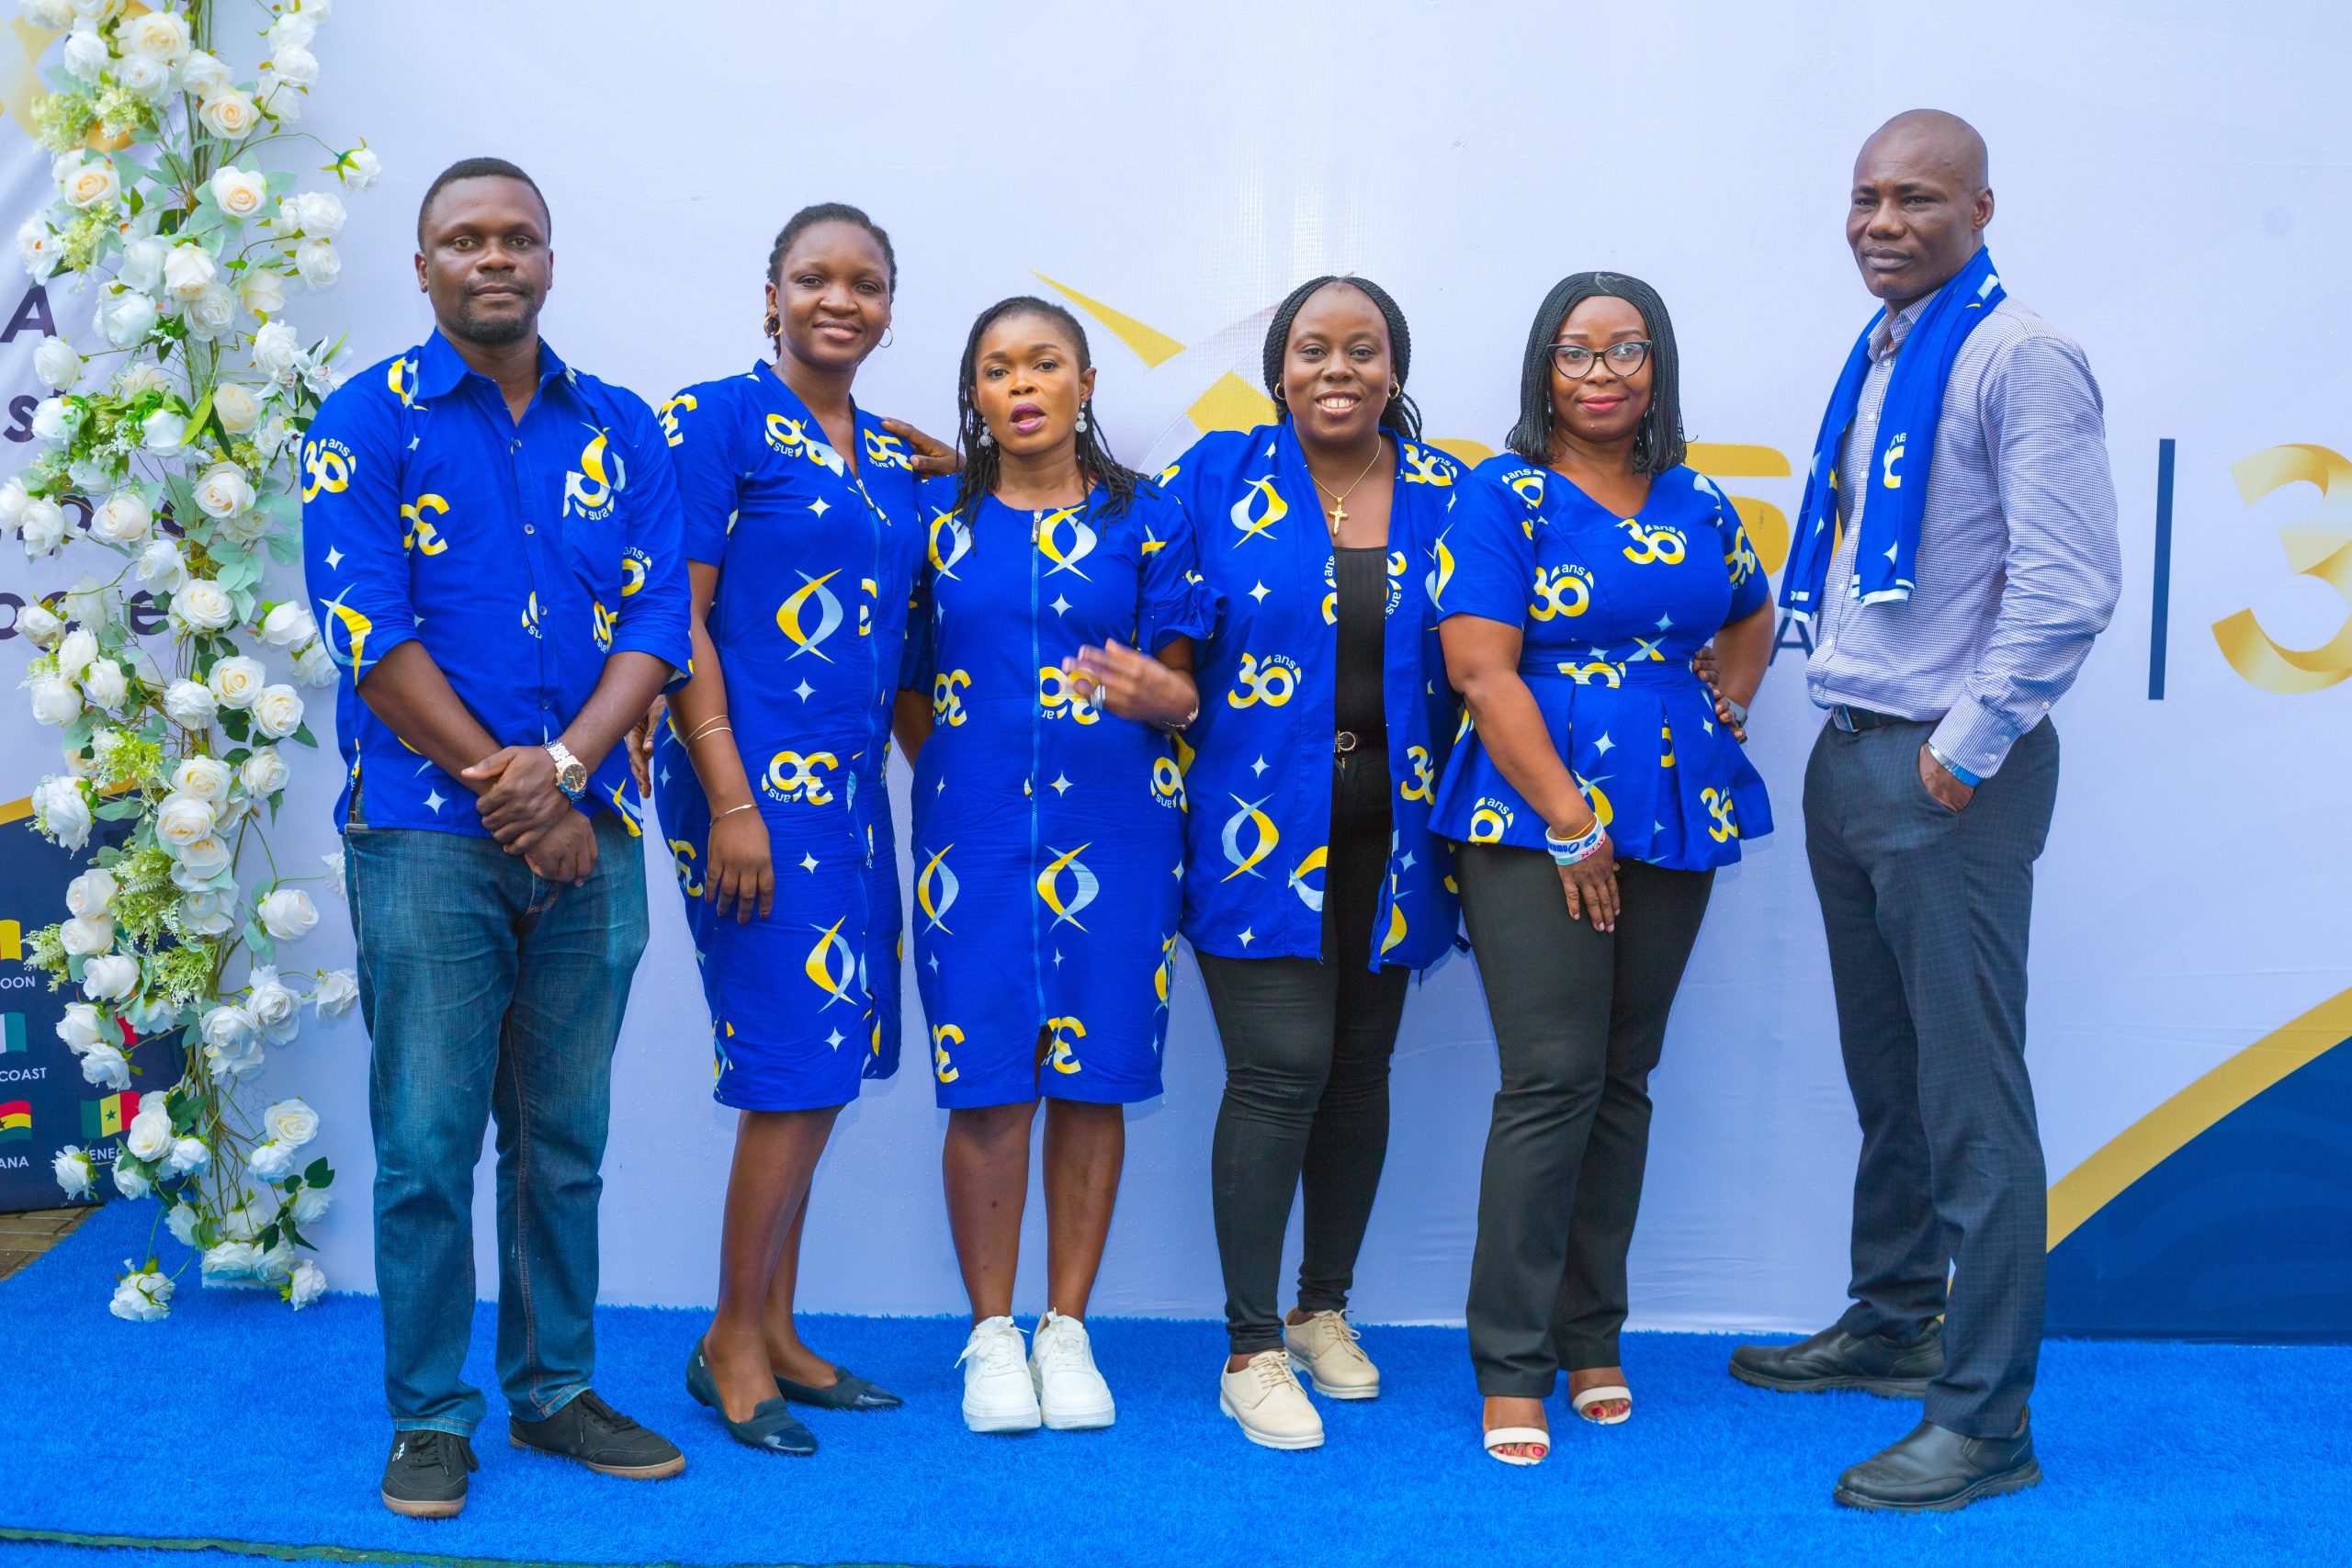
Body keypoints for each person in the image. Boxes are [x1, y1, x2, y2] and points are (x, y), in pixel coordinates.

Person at [1729, 110, 2120, 1513]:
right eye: (1866, 199)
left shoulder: (2019, 356)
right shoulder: (1889, 350)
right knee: (1890, 1079)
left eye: (1916, 199)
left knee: (1970, 1102)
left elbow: (2069, 582)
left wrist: (1964, 746)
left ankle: (1986, 1418)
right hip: (1855, 755)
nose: (1882, 223)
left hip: (1946, 775)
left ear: (1981, 209)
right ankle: (1897, 1320)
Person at [302, 157, 692, 1517]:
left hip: (593, 834)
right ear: (422, 268)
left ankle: (554, 1390)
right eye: (463, 240)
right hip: (424, 837)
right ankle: (428, 1413)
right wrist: (513, 792)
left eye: (517, 237)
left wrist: (568, 772)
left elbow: (658, 619)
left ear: (548, 260)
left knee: (561, 1139)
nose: (493, 258)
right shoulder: (363, 420)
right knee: (426, 1144)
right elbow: (366, 629)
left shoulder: (623, 426)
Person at [1432, 272, 1773, 1466]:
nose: (1602, 373)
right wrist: (1572, 821)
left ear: (1657, 366)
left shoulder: (1698, 495)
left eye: (1627, 349)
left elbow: (1749, 610)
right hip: (1534, 816)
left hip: (1675, 806)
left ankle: (1592, 1338)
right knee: (1552, 1078)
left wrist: (1730, 697)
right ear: (1544, 369)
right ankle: (1510, 1361)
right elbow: (1481, 672)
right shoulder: (1500, 493)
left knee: (1623, 1078)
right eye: (1576, 351)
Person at [649, 203, 953, 1455]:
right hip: (746, 791)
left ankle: (775, 1325)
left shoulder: (888, 454)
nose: (841, 299)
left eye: (866, 282)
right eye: (814, 278)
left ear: (889, 307)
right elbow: (675, 620)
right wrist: (732, 799)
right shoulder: (711, 420)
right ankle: (729, 1337)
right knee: (790, 1061)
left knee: (825, 1058)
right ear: (770, 294)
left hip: (850, 798)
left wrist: (956, 465)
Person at [1156, 276, 1463, 1450]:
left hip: (1400, 841)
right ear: (1278, 369)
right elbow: (1123, 563)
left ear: (1395, 369)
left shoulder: (1450, 493)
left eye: (1363, 349)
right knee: (1280, 1069)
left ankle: (1321, 1307)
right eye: (1313, 348)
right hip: (1256, 833)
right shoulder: (1213, 479)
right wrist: (954, 469)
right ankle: (1249, 1349)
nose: (1338, 369)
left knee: (1357, 1074)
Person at [897, 297, 1211, 1435]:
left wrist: (1160, 695)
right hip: (973, 839)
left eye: (1044, 364)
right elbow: (907, 685)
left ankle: (1066, 1331)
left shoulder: (1152, 519)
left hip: (1120, 834)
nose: (1022, 385)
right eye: (997, 369)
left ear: (1085, 383)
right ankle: (991, 1336)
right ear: (974, 395)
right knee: (986, 1081)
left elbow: (1180, 688)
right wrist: (968, 775)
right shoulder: (932, 521)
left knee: (1093, 1079)